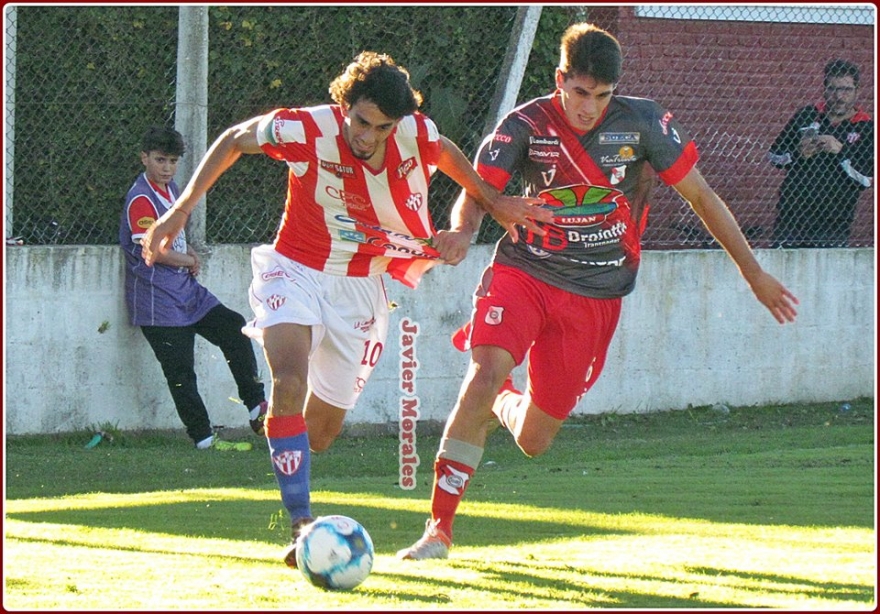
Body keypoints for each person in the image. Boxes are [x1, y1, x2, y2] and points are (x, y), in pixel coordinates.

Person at [397, 22, 800, 561]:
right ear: (560, 78)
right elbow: (479, 192)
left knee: (535, 440)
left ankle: (501, 399)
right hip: (526, 272)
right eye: (580, 93)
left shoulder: (645, 122)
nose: (589, 107)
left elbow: (702, 197)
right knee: (486, 368)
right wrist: (464, 233)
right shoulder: (524, 125)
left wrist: (753, 272)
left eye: (602, 96)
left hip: (597, 294)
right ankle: (438, 531)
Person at [138, 52, 551, 567]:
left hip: (363, 286)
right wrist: (178, 212)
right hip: (295, 268)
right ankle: (300, 524)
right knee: (287, 382)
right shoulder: (308, 127)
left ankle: (291, 464)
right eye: (360, 120)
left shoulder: (414, 134)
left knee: (322, 435)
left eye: (380, 127)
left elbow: (443, 151)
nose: (367, 135)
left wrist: (491, 201)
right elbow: (234, 140)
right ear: (345, 105)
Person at [120, 125, 268, 451]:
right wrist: (187, 260)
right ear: (144, 157)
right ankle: (203, 438)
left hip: (186, 292)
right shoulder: (140, 199)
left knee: (233, 326)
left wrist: (187, 256)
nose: (167, 168)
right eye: (160, 160)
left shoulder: (171, 190)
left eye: (172, 161)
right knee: (181, 373)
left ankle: (256, 405)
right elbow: (153, 250)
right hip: (157, 301)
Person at [768, 59, 874, 248]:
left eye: (846, 90)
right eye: (833, 89)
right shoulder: (807, 115)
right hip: (793, 214)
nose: (839, 96)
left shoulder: (866, 126)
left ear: (857, 92)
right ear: (824, 90)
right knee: (782, 271)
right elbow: (774, 155)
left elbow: (866, 178)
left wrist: (841, 151)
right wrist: (797, 153)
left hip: (834, 218)